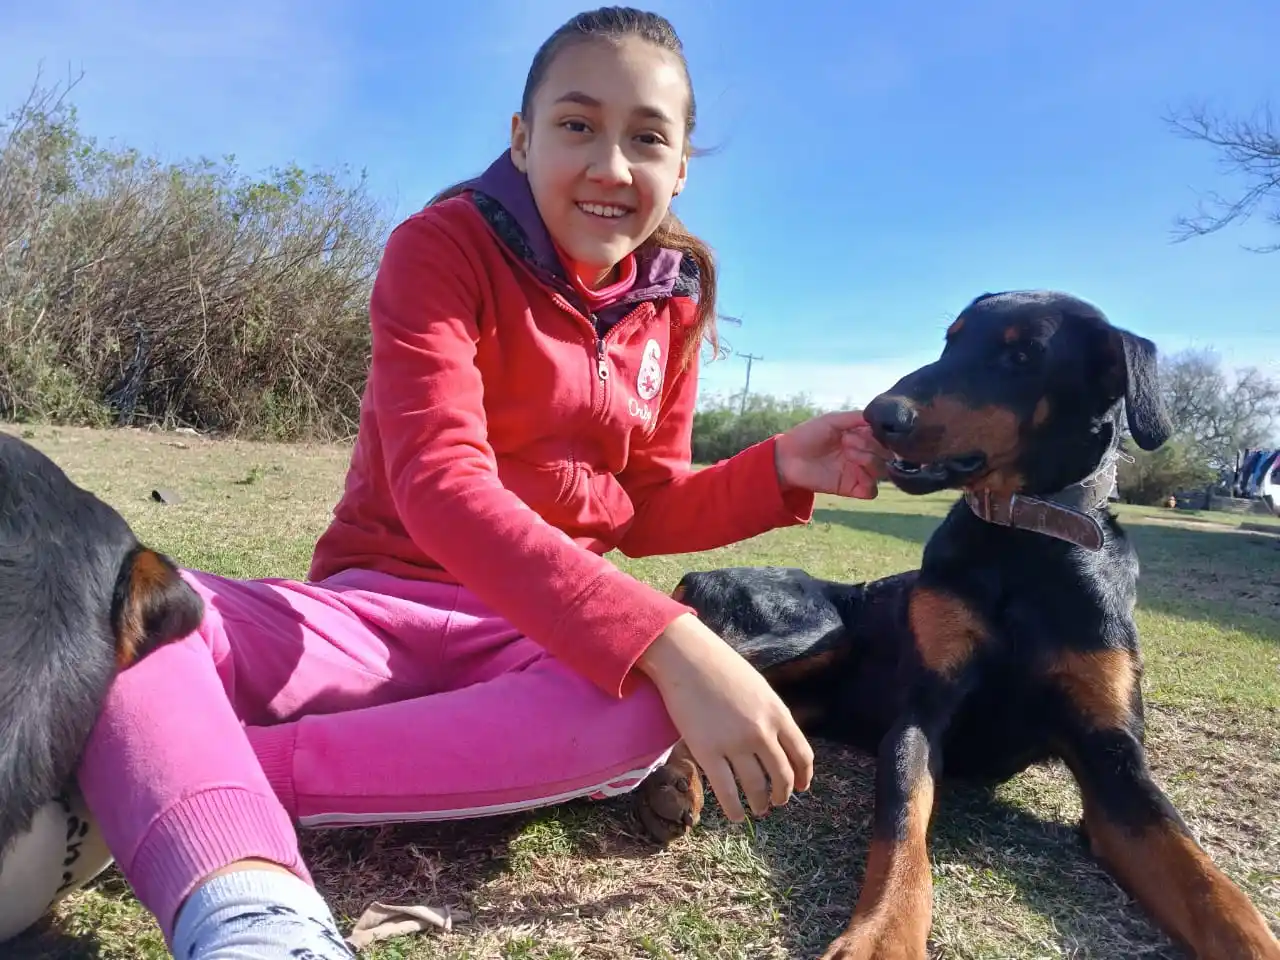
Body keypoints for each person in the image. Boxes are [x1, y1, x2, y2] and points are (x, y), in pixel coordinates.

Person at [13, 7, 888, 958]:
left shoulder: (669, 307)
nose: (610, 165)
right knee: (135, 609)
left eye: (647, 138)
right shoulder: (441, 248)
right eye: (577, 124)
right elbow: (440, 485)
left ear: (680, 168)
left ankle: (210, 769)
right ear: (522, 137)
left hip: (533, 637)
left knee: (645, 709)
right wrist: (672, 637)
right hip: (366, 611)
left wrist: (775, 469)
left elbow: (643, 507)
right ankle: (250, 907)